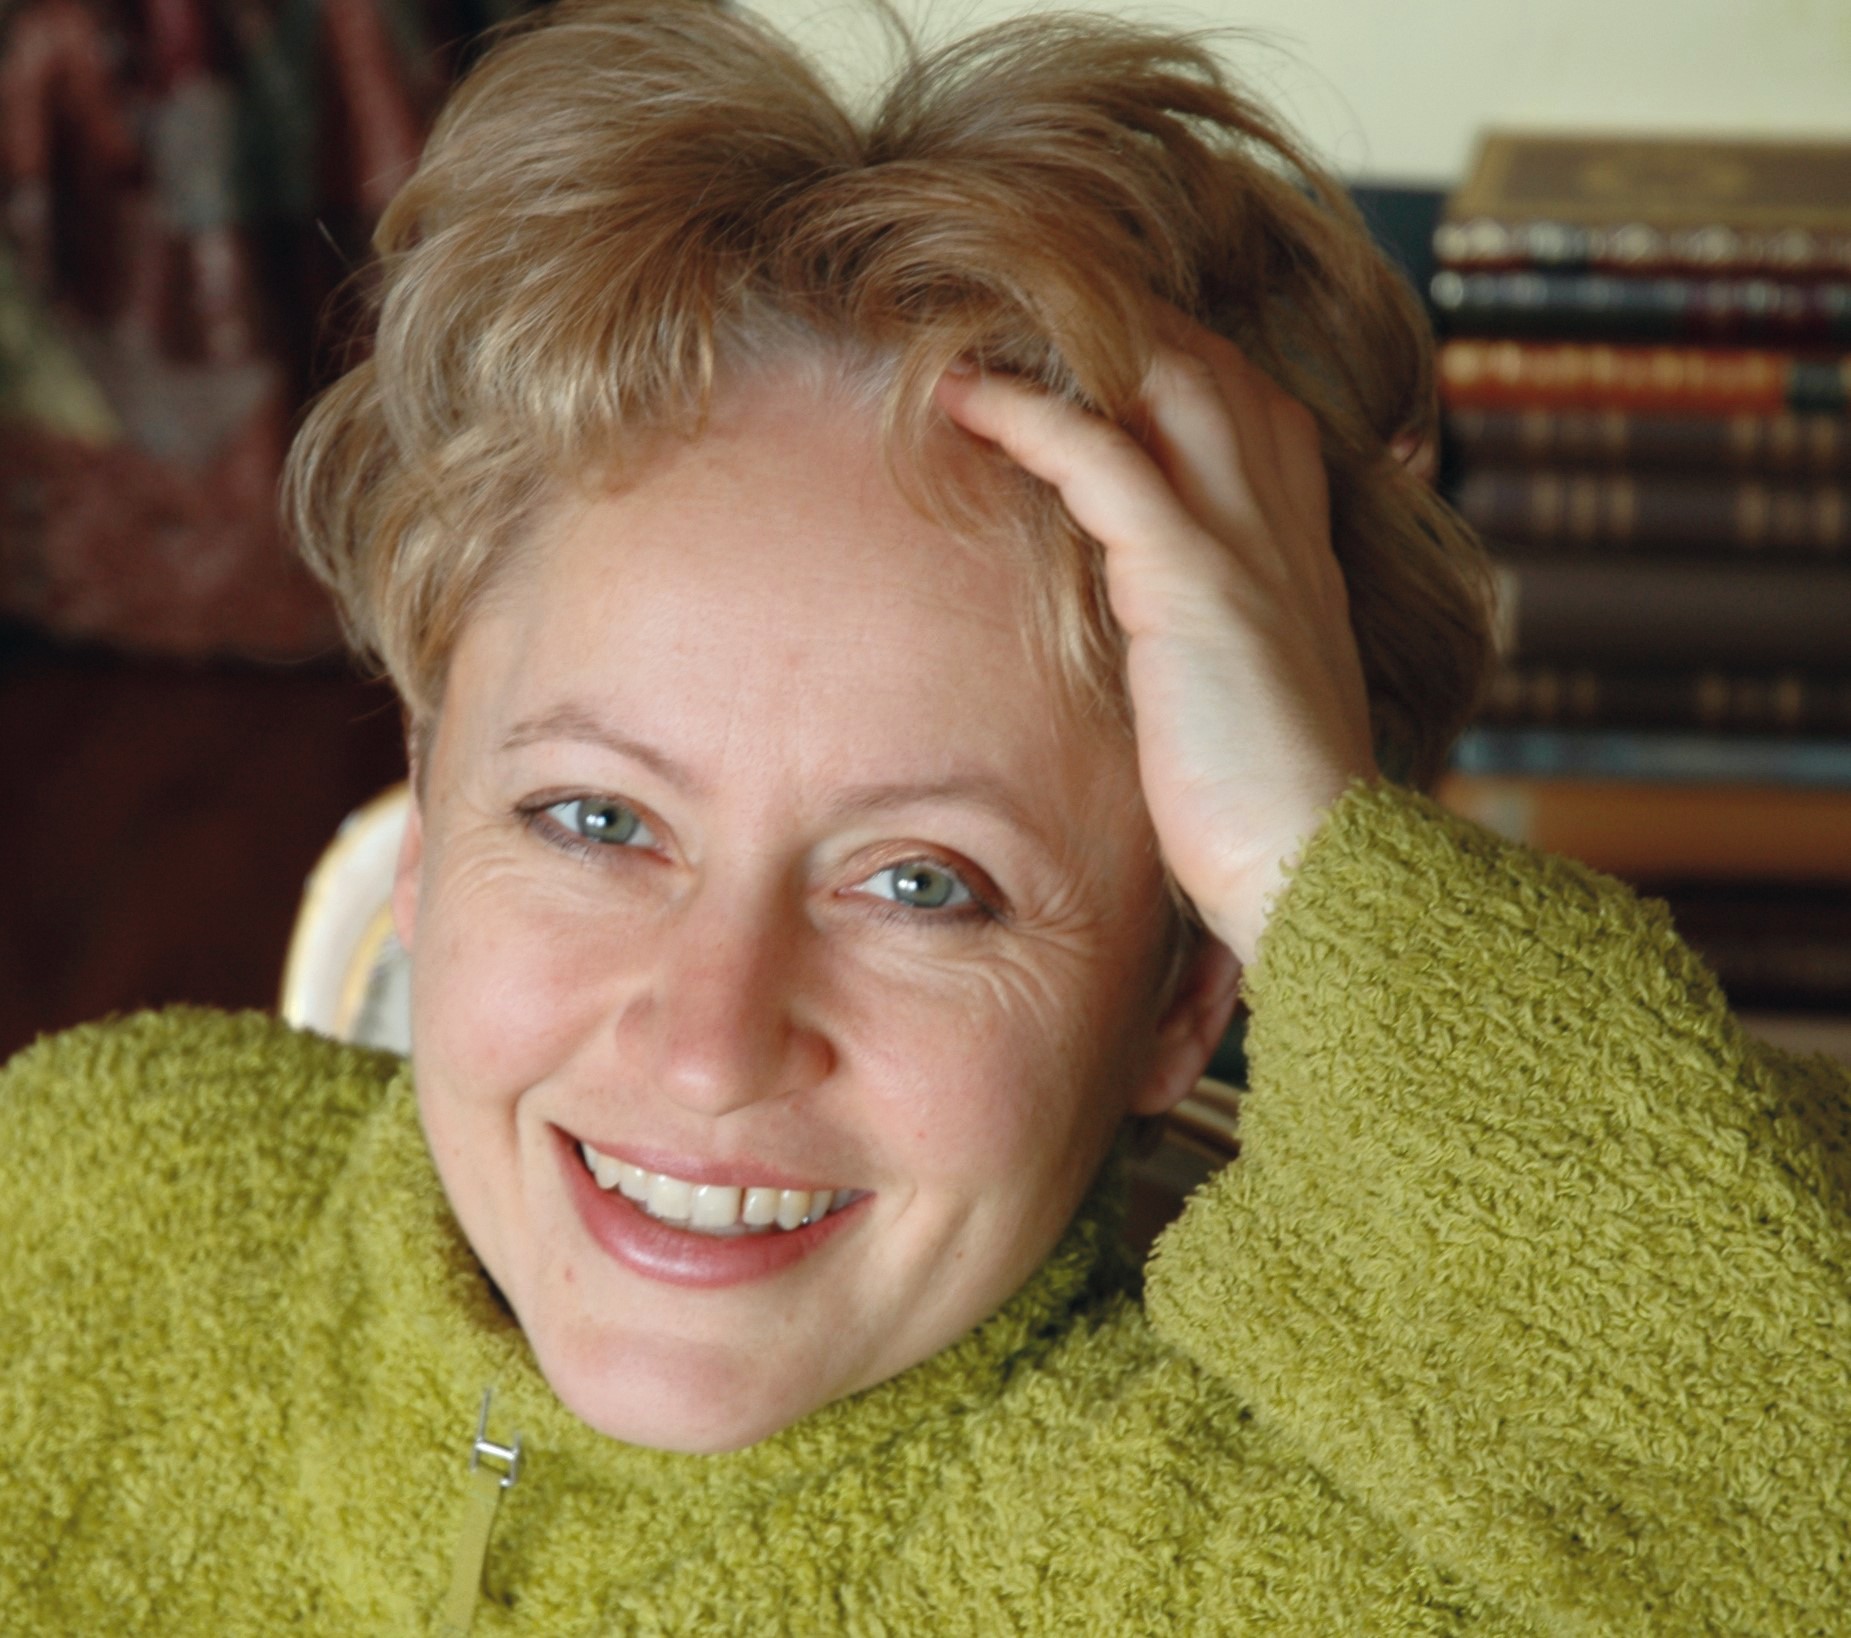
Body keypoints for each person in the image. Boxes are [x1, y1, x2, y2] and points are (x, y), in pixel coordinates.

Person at [3, 2, 1846, 1631]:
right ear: (426, 819)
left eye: (922, 882)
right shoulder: (93, 1210)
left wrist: (1304, 841)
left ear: (1189, 990)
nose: (713, 1043)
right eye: (594, 818)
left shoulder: (1292, 1546)